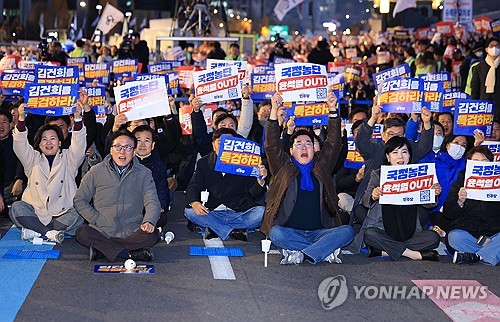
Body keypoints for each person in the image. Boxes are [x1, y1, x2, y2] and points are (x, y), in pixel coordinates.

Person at [261, 92, 354, 265]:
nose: (304, 147)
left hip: (320, 231)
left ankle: (301, 252)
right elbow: (271, 145)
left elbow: (334, 144)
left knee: (347, 232)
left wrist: (333, 110)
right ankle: (322, 250)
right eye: (299, 144)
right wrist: (274, 109)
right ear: (291, 150)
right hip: (290, 231)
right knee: (275, 233)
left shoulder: (322, 165)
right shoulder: (283, 167)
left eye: (308, 144)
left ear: (314, 149)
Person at [74, 130, 161, 262]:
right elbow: (80, 200)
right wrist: (96, 219)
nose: (122, 151)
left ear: (133, 150)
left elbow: (152, 201)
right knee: (82, 232)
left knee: (152, 234)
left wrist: (148, 221)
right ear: (111, 149)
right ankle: (131, 254)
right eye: (118, 147)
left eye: (127, 147)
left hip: (132, 229)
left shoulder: (144, 173)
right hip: (102, 229)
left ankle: (103, 250)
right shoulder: (96, 171)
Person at [353, 136, 441, 261]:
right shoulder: (379, 174)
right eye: (395, 152)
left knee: (433, 238)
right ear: (388, 157)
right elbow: (365, 201)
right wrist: (373, 195)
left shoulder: (417, 174)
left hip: (410, 231)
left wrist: (433, 193)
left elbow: (428, 205)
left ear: (409, 156)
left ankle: (384, 251)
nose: (400, 156)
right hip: (382, 228)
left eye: (404, 152)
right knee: (370, 234)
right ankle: (412, 254)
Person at [9, 104, 86, 243]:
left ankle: (35, 230)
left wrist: (78, 119)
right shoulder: (33, 159)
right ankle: (49, 233)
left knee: (78, 213)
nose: (49, 142)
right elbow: (20, 145)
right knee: (16, 207)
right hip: (37, 212)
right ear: (39, 144)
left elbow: (79, 144)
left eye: (53, 138)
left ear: (60, 143)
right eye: (44, 139)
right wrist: (21, 118)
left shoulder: (69, 158)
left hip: (62, 213)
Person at [352, 103, 434, 224]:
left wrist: (426, 122)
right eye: (391, 134)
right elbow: (361, 142)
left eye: (399, 135)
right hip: (377, 205)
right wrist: (373, 118)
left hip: (404, 205)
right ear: (383, 135)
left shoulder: (408, 149)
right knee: (361, 212)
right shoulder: (375, 148)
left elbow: (424, 147)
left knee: (422, 214)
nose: (395, 138)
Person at [184, 127, 267, 241]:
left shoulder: (244, 163)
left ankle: (215, 228)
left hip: (239, 212)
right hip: (212, 211)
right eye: (220, 142)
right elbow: (193, 186)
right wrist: (195, 203)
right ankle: (234, 231)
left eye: (229, 143)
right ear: (213, 145)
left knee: (261, 212)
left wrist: (260, 182)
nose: (224, 146)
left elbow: (253, 194)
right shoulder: (204, 163)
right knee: (189, 212)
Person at [444, 146, 500, 266]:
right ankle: (490, 253)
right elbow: (448, 213)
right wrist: (460, 201)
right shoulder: (462, 179)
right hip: (468, 231)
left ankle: (476, 256)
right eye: (476, 162)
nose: (480, 165)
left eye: (484, 161)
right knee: (454, 237)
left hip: (495, 231)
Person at [429, 135, 469, 233]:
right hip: (436, 209)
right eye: (456, 143)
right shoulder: (433, 164)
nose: (459, 147)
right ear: (447, 145)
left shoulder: (467, 166)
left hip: (457, 208)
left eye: (463, 145)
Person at [132, 125, 169, 229]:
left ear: (152, 145)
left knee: (161, 218)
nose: (142, 145)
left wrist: (161, 206)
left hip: (149, 205)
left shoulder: (159, 166)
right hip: (128, 206)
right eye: (139, 140)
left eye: (147, 141)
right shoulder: (125, 162)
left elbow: (162, 189)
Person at [471, 37, 500, 121]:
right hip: (484, 106)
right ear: (486, 49)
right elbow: (475, 89)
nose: (495, 48)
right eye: (491, 46)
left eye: (497, 46)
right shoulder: (479, 67)